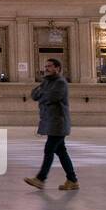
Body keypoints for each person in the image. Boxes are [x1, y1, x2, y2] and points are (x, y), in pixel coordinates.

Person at [24, 58, 79, 191]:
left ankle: (41, 179)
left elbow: (52, 97)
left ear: (57, 68)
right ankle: (72, 180)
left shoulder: (60, 83)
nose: (46, 68)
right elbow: (34, 95)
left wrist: (43, 93)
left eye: (49, 66)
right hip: (51, 122)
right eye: (46, 66)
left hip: (58, 123)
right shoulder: (47, 82)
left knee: (49, 149)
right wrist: (43, 92)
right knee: (61, 151)